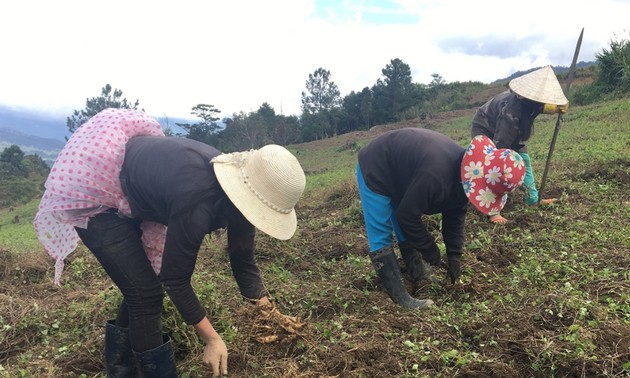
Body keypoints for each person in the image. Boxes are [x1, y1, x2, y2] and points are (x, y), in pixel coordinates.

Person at [34, 108, 306, 377]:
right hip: (98, 192)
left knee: (141, 288)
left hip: (140, 192)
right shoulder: (199, 201)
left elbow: (243, 260)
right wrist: (212, 339)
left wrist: (271, 314)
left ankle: (122, 370)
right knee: (145, 295)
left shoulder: (240, 199)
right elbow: (175, 280)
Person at [356, 128, 525, 309]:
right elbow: (407, 216)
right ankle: (401, 297)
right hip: (378, 166)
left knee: (406, 223)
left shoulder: (463, 177)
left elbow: (455, 217)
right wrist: (429, 248)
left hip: (404, 174)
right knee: (381, 232)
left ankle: (419, 274)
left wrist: (454, 256)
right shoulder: (435, 176)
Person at [471, 65, 569, 223]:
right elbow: (499, 149)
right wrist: (503, 159)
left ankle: (532, 199)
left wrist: (556, 109)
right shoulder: (511, 113)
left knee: (524, 160)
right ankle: (492, 211)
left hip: (512, 128)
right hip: (486, 127)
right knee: (494, 167)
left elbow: (540, 106)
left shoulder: (531, 102)